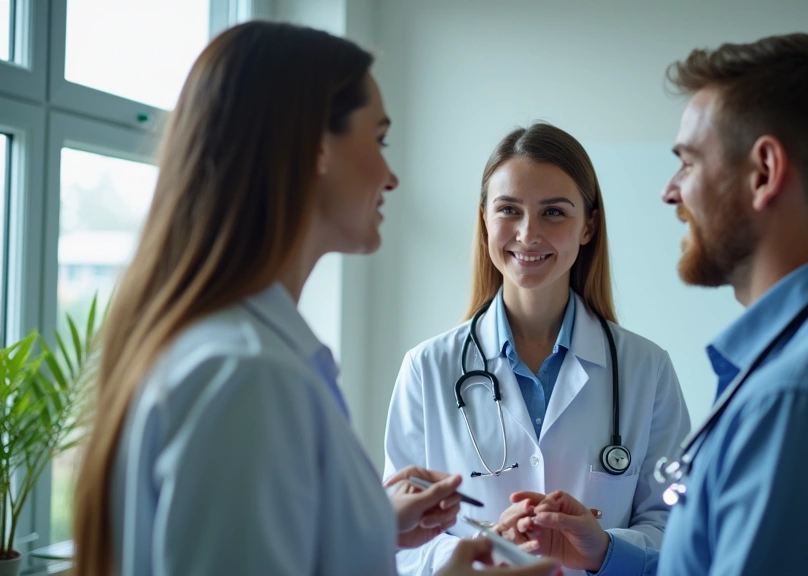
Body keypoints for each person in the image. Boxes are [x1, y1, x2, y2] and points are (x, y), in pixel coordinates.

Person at [70, 21, 558, 576]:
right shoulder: (250, 375)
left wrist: (362, 526)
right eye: (378, 140)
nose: (390, 175)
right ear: (316, 148)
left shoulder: (234, 351)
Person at [502, 33, 808, 575]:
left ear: (763, 172)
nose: (671, 191)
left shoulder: (801, 398)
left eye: (688, 162)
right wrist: (607, 553)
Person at [383, 122, 692, 576]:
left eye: (553, 213)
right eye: (509, 209)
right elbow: (396, 542)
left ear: (589, 226)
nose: (528, 234)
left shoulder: (647, 369)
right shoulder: (427, 368)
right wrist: (482, 550)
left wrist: (604, 549)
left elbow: (681, 528)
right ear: (485, 218)